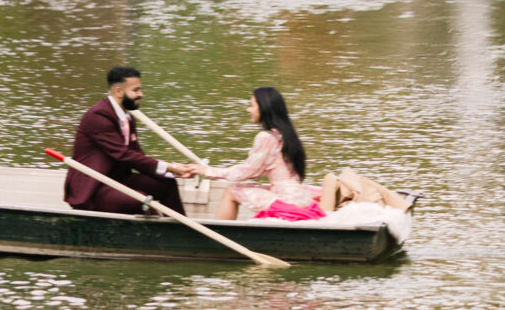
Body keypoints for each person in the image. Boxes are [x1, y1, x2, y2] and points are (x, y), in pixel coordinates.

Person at [62, 66, 188, 217]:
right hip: (94, 188)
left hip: (118, 180)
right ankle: (160, 235)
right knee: (140, 200)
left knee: (167, 184)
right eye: (136, 90)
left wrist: (170, 171)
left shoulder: (127, 117)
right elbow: (123, 155)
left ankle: (181, 231)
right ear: (118, 91)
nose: (141, 94)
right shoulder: (98, 116)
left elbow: (136, 156)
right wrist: (170, 167)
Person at [208, 86, 325, 224]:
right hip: (302, 197)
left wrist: (205, 170)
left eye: (252, 105)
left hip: (287, 201)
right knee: (250, 187)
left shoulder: (266, 137)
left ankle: (218, 235)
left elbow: (246, 172)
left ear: (264, 107)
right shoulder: (287, 134)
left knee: (232, 191)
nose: (248, 110)